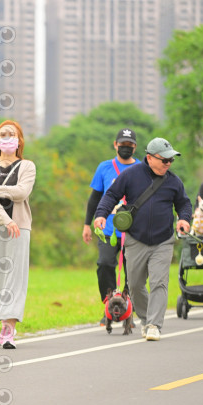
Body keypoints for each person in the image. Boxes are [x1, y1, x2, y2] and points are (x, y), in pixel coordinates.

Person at [93, 138, 192, 341]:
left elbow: (184, 203)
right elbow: (111, 195)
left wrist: (183, 218)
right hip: (135, 239)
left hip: (163, 240)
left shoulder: (174, 181)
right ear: (150, 158)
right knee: (135, 285)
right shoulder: (131, 175)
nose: (168, 164)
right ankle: (147, 320)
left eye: (171, 160)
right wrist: (101, 214)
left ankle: (154, 325)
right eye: (164, 160)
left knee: (159, 282)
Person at [0, 120, 36, 349]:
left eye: (12, 134)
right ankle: (4, 322)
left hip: (20, 227)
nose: (7, 137)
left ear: (19, 140)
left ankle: (8, 329)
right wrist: (6, 219)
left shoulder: (27, 166)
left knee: (15, 277)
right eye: (3, 134)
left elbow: (21, 192)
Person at [82, 128, 140, 325]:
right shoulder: (105, 167)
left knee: (132, 271)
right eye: (122, 144)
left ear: (135, 147)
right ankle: (109, 306)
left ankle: (127, 310)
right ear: (115, 145)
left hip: (134, 232)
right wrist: (87, 224)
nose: (126, 148)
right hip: (108, 230)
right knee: (104, 264)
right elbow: (95, 198)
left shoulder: (142, 168)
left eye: (130, 145)